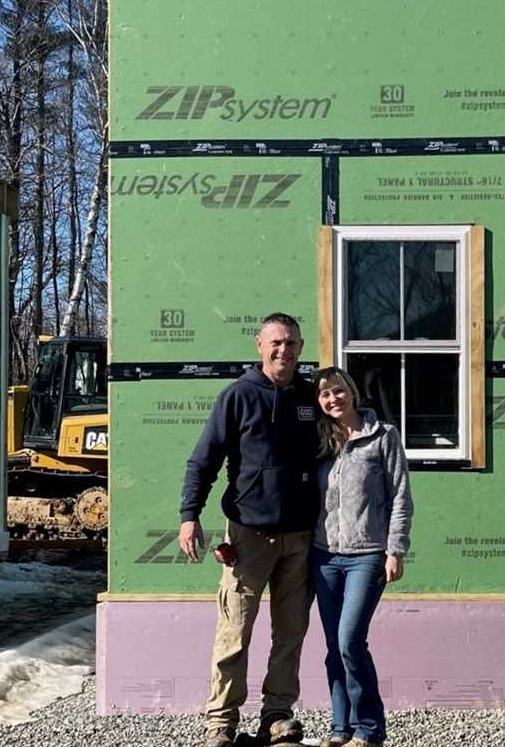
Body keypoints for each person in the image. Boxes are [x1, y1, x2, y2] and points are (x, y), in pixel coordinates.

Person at [178, 313, 320, 747]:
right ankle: (221, 721)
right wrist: (189, 514)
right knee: (234, 631)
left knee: (290, 632)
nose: (285, 350)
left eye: (292, 343)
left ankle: (277, 716)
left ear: (300, 347)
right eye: (276, 342)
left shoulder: (310, 397)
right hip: (248, 535)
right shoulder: (238, 396)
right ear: (260, 345)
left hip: (299, 537)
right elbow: (204, 459)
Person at [311, 367, 413, 747]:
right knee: (333, 646)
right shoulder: (322, 441)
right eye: (324, 395)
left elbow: (400, 497)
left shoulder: (383, 436)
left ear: (351, 392)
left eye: (338, 391)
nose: (333, 399)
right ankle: (341, 728)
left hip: (367, 556)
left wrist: (395, 549)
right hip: (323, 557)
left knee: (350, 640)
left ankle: (370, 728)